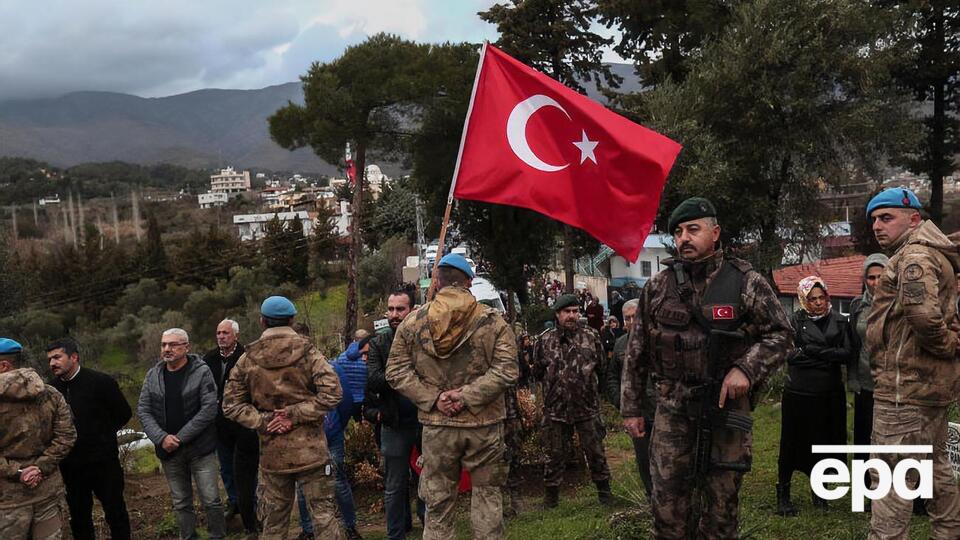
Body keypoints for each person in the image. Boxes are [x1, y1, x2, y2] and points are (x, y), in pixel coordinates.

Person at [620, 197, 793, 539]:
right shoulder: (657, 287)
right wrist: (632, 408)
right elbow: (636, 351)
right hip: (672, 411)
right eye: (679, 232)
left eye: (693, 229)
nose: (684, 237)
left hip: (724, 412)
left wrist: (746, 368)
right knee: (668, 509)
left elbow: (783, 334)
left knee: (721, 512)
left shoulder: (746, 282)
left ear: (715, 233)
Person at [386, 253, 518, 540]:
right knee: (487, 499)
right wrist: (467, 396)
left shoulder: (413, 322)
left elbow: (395, 371)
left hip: (437, 427)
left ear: (437, 281)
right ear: (469, 283)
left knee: (438, 505)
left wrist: (434, 399)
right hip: (483, 424)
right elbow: (507, 370)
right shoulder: (493, 322)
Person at [864, 188, 960, 538]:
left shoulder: (915, 256)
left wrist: (948, 344)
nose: (877, 225)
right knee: (937, 471)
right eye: (874, 219)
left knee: (890, 482)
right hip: (929, 388)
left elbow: (924, 317)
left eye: (886, 218)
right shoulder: (928, 253)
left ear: (914, 219)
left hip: (904, 393)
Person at [223, 296, 343, 540]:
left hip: (273, 455)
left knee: (274, 525)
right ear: (292, 320)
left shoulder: (247, 359)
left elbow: (230, 404)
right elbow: (333, 393)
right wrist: (295, 414)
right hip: (311, 451)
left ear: (262, 322)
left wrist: (264, 421)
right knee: (324, 518)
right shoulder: (309, 353)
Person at [137, 328, 225, 540]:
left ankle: (218, 536)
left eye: (173, 344)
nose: (167, 349)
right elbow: (143, 409)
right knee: (181, 502)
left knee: (211, 499)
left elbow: (209, 410)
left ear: (186, 347)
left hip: (200, 449)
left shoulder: (201, 372)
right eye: (164, 345)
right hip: (169, 452)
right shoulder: (153, 375)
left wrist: (179, 437)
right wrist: (161, 438)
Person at [776, 276, 851, 515]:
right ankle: (783, 494)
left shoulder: (840, 321)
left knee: (825, 443)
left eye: (822, 297)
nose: (818, 302)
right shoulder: (794, 321)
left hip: (829, 393)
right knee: (791, 443)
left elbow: (847, 353)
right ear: (803, 300)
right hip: (799, 393)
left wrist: (814, 351)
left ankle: (820, 492)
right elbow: (788, 354)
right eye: (812, 298)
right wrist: (826, 356)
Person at [48, 337, 132, 540]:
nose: (52, 363)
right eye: (50, 359)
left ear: (74, 357)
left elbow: (123, 413)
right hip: (71, 466)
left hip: (103, 463)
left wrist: (101, 436)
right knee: (79, 517)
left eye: (57, 357)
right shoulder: (50, 390)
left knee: (115, 512)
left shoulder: (101, 382)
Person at [534, 293, 612, 508]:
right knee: (553, 455)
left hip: (586, 407)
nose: (572, 316)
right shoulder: (544, 340)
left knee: (596, 452)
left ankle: (605, 495)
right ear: (557, 314)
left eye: (575, 312)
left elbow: (602, 368)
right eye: (567, 312)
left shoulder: (592, 336)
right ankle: (551, 500)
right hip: (556, 410)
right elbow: (538, 372)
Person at [0, 338, 77, 539]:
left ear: (4, 365)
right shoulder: (50, 393)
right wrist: (40, 468)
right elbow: (67, 436)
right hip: (47, 491)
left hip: (7, 501)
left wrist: (18, 472)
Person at [365, 287, 425, 540]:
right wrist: (406, 376)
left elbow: (432, 375)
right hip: (394, 424)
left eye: (400, 309)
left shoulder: (424, 339)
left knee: (428, 482)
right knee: (394, 486)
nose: (394, 314)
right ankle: (396, 535)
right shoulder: (379, 343)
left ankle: (430, 528)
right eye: (390, 309)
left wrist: (396, 376)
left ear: (411, 309)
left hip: (424, 422)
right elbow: (374, 379)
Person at [605, 298, 657, 500]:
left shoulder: (659, 340)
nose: (631, 321)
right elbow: (611, 378)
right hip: (638, 414)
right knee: (643, 457)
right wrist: (622, 402)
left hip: (662, 409)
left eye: (635, 316)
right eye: (627, 318)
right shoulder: (619, 345)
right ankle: (650, 496)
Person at [847, 253, 888, 492]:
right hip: (865, 384)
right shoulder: (856, 306)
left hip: (892, 385)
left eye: (880, 276)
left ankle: (902, 489)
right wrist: (852, 377)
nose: (875, 282)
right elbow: (852, 345)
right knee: (863, 440)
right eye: (871, 277)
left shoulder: (899, 304)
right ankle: (865, 489)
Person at [201, 319, 248, 522]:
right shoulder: (209, 358)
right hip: (218, 422)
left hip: (242, 422)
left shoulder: (246, 356)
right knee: (226, 466)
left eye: (225, 333)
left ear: (235, 335)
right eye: (219, 333)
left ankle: (249, 505)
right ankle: (234, 501)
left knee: (245, 467)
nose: (221, 336)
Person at [332, 329, 371, 422]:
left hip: (345, 399)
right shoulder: (368, 357)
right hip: (364, 401)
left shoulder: (341, 357)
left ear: (354, 340)